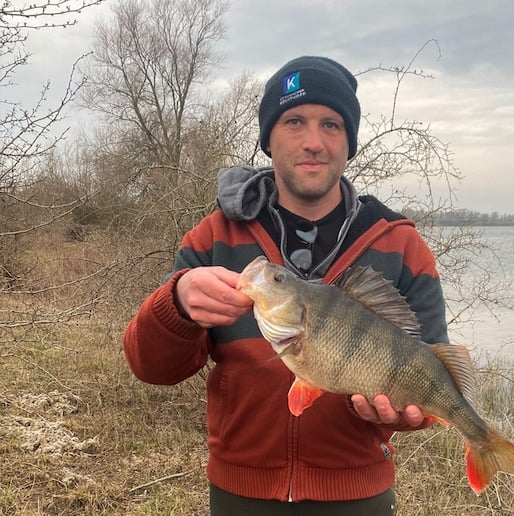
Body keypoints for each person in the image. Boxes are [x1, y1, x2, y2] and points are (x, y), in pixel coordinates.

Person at [123, 55, 449, 515]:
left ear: (348, 142)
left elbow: (432, 378)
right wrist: (176, 302)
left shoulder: (402, 245)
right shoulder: (214, 237)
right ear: (268, 139)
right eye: (294, 121)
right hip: (241, 494)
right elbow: (150, 366)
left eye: (332, 125)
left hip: (358, 496)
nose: (314, 141)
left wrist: (410, 414)